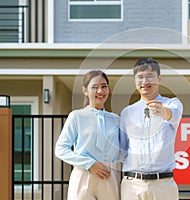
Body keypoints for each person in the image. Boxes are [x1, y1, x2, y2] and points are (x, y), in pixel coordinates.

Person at [119, 57, 183, 200]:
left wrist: (163, 112)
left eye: (150, 76)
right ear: (135, 80)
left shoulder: (172, 103)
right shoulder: (127, 113)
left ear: (159, 78)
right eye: (140, 77)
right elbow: (122, 150)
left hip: (164, 185)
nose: (145, 82)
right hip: (133, 185)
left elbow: (173, 115)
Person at [55, 70, 120, 200]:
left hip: (109, 175)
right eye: (94, 87)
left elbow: (123, 150)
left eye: (104, 86)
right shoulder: (76, 116)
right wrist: (90, 164)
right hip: (83, 175)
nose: (100, 91)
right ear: (85, 90)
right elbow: (60, 149)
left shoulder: (116, 119)